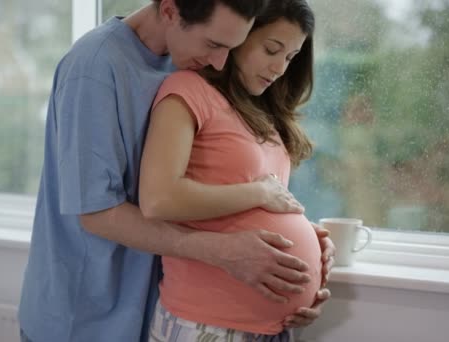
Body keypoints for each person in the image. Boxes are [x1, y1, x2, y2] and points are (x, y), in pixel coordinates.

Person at [18, 0, 335, 341]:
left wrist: (294, 242)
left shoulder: (189, 58)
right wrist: (223, 250)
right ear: (169, 10)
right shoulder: (94, 68)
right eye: (214, 44)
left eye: (231, 47)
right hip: (86, 313)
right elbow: (96, 212)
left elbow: (209, 178)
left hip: (150, 301)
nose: (220, 61)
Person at [139, 0, 327, 341]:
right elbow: (158, 198)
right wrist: (259, 194)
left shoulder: (262, 115)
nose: (280, 68)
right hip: (204, 324)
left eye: (290, 57)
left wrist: (308, 245)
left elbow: (257, 203)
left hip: (273, 329)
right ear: (241, 35)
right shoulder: (188, 90)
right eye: (272, 49)